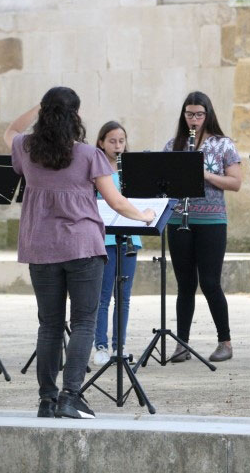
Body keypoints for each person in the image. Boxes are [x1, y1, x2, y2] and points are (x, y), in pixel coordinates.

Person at [4, 86, 155, 419]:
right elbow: (116, 202)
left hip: (41, 247)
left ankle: (46, 400)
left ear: (44, 113)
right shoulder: (88, 154)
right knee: (84, 322)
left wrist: (41, 106)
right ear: (75, 116)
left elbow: (11, 130)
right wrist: (144, 215)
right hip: (82, 246)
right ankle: (70, 397)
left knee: (49, 326)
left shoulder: (26, 148)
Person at [165, 91, 242, 363]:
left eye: (199, 114)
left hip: (212, 221)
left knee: (210, 282)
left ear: (207, 115)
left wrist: (205, 174)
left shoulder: (223, 145)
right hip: (178, 219)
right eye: (189, 114)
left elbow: (235, 182)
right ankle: (181, 344)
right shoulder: (173, 145)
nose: (194, 120)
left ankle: (225, 342)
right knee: (185, 284)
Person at [92, 121, 142, 366]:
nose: (118, 145)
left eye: (121, 141)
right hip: (104, 237)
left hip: (130, 237)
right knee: (103, 296)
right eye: (112, 141)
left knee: (124, 296)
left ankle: (119, 346)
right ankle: (100, 345)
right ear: (101, 142)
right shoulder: (95, 168)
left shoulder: (131, 169)